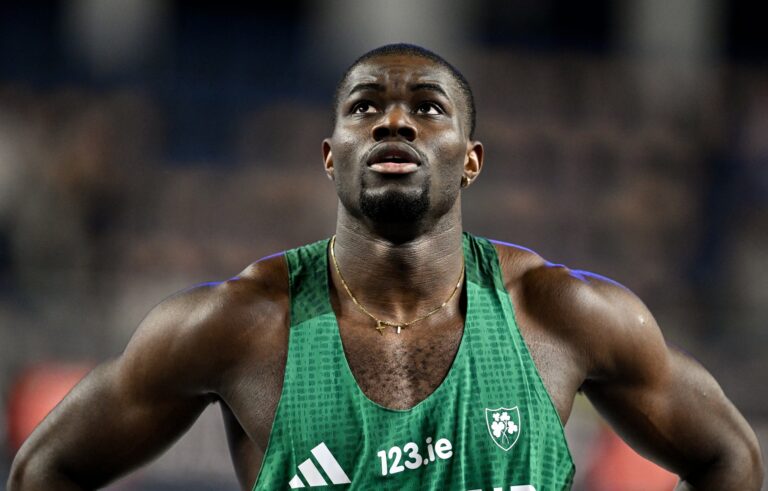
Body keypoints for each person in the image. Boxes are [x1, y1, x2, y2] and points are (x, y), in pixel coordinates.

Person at [8, 44, 763, 491]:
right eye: (364, 106)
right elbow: (46, 467)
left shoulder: (562, 314)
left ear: (470, 162)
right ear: (331, 157)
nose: (394, 118)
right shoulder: (239, 325)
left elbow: (729, 452)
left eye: (428, 107)